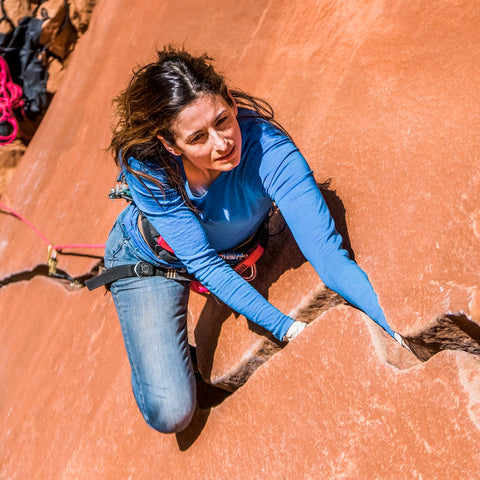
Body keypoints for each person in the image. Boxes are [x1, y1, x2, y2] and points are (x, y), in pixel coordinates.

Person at [99, 46, 407, 434]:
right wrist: (287, 328)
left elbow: (329, 257)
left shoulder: (270, 150)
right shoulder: (150, 170)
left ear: (230, 100)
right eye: (198, 138)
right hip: (151, 261)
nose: (221, 143)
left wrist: (393, 324)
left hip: (216, 254)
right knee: (171, 413)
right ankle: (150, 356)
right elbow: (204, 264)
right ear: (170, 144)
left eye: (222, 120)